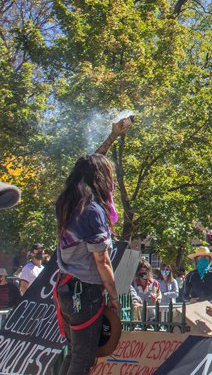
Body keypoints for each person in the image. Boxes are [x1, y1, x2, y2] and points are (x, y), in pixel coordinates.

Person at [54, 116, 131, 375]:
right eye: (107, 175)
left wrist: (112, 136)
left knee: (75, 353)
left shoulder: (69, 202)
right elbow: (102, 260)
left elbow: (89, 166)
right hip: (84, 292)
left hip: (67, 286)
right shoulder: (92, 211)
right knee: (84, 358)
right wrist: (113, 295)